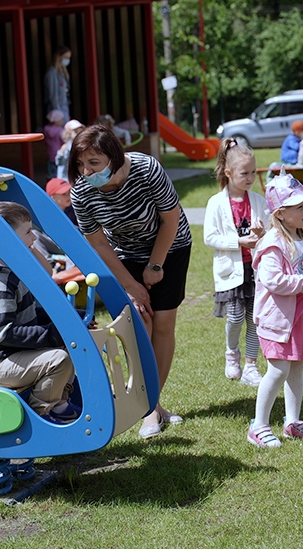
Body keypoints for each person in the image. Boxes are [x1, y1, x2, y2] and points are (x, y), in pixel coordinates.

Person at [67, 125, 192, 439]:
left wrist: (155, 265)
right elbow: (97, 243)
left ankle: (150, 408)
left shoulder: (146, 169)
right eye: (80, 164)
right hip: (122, 256)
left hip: (170, 247)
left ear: (113, 155)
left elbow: (170, 217)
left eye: (94, 163)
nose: (86, 171)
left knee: (162, 324)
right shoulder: (81, 191)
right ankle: (152, 407)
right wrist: (130, 284)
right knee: (138, 327)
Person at [0, 202, 79, 424]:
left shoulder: (14, 274)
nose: (34, 239)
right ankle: (43, 415)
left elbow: (33, 314)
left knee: (70, 346)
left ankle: (61, 404)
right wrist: (51, 334)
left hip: (11, 357)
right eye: (27, 232)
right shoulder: (0, 281)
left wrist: (69, 322)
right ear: (6, 238)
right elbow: (3, 333)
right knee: (58, 359)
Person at [248, 170, 303, 447]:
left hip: (301, 317)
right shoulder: (272, 243)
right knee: (278, 369)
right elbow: (273, 281)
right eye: (299, 207)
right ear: (280, 213)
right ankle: (258, 426)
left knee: (296, 369)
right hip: (278, 319)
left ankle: (292, 421)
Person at [204, 140, 269, 387]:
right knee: (235, 317)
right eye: (245, 173)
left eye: (253, 172)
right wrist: (239, 241)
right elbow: (210, 237)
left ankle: (251, 365)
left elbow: (269, 231)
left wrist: (261, 233)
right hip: (231, 271)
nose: (251, 177)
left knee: (255, 317)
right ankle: (232, 353)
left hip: (255, 270)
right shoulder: (216, 203)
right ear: (229, 173)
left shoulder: (259, 201)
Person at [45, 45, 72, 120]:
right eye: (65, 57)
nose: (67, 60)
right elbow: (53, 95)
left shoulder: (62, 73)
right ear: (59, 57)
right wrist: (58, 113)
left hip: (64, 106)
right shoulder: (52, 73)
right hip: (57, 107)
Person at [44, 110, 66, 179]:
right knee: (60, 172)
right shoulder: (60, 130)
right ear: (57, 120)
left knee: (52, 172)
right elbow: (64, 141)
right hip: (60, 154)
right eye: (61, 119)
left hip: (50, 155)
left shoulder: (46, 129)